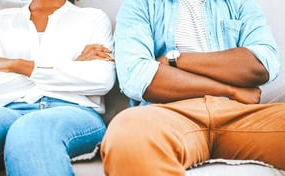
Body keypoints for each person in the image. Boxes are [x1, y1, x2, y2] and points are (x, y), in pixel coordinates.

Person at [100, 0, 285, 175]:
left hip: (240, 113)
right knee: (129, 132)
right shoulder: (140, 5)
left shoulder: (239, 3)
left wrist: (175, 60)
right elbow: (138, 77)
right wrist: (231, 90)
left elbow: (262, 64)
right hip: (169, 113)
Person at [0, 0, 115, 175]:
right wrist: (69, 66)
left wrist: (16, 65)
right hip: (10, 111)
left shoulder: (93, 18)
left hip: (75, 111)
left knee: (32, 129)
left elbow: (101, 80)